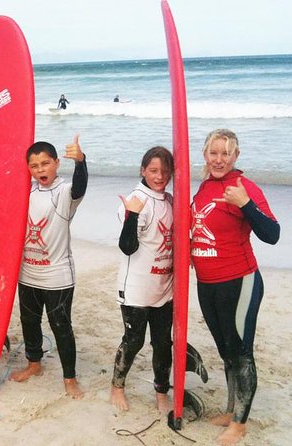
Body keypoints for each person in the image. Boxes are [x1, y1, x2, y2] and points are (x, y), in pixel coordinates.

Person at [191, 129, 279, 445]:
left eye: (225, 153)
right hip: (207, 283)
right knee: (226, 350)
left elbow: (272, 233)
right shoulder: (204, 187)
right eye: (213, 153)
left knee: (241, 353)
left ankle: (239, 424)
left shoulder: (245, 187)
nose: (219, 159)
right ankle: (232, 411)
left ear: (235, 156)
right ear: (205, 155)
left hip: (239, 281)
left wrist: (246, 205)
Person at [10, 135, 88, 399]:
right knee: (29, 321)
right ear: (28, 169)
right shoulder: (24, 192)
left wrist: (81, 162)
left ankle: (70, 379)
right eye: (34, 166)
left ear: (56, 163)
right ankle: (34, 364)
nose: (41, 169)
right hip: (28, 273)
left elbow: (80, 187)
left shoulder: (65, 192)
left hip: (57, 276)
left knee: (60, 326)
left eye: (46, 163)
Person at [109, 146, 174, 414]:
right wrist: (132, 214)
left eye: (165, 171)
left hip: (164, 287)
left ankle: (161, 392)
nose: (160, 176)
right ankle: (117, 387)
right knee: (133, 340)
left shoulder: (170, 200)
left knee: (162, 343)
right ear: (142, 170)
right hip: (136, 287)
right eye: (154, 170)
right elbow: (127, 246)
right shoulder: (136, 200)